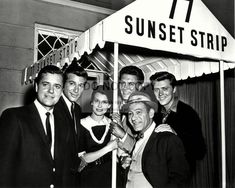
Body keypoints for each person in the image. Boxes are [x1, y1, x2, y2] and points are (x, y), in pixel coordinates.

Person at [0, 65, 76, 187]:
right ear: (36, 86)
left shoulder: (65, 123)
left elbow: (65, 170)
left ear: (61, 92)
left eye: (57, 86)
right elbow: (3, 169)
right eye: (45, 84)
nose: (51, 91)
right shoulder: (14, 117)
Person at [121, 91, 190, 187]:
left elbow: (180, 180)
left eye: (138, 112)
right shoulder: (138, 139)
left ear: (151, 113)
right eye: (130, 113)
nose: (133, 118)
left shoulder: (167, 139)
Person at [150, 71, 206, 177]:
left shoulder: (188, 113)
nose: (160, 94)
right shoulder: (156, 115)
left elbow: (200, 151)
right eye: (157, 89)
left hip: (178, 178)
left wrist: (175, 133)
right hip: (159, 176)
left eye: (165, 88)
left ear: (174, 89)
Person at [78, 85, 123, 188]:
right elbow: (83, 158)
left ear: (109, 106)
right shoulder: (81, 124)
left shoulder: (112, 124)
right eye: (97, 101)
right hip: (89, 176)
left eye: (104, 102)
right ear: (91, 102)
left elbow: (121, 152)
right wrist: (108, 148)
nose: (99, 106)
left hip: (110, 174)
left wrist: (119, 124)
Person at [54, 59, 88, 186]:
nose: (76, 90)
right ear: (63, 84)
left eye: (81, 85)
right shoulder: (54, 106)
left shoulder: (77, 109)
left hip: (72, 175)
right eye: (72, 83)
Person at [111, 65, 145, 153]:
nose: (125, 88)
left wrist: (123, 135)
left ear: (140, 87)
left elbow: (142, 150)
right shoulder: (114, 106)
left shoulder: (145, 112)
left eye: (131, 84)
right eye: (122, 83)